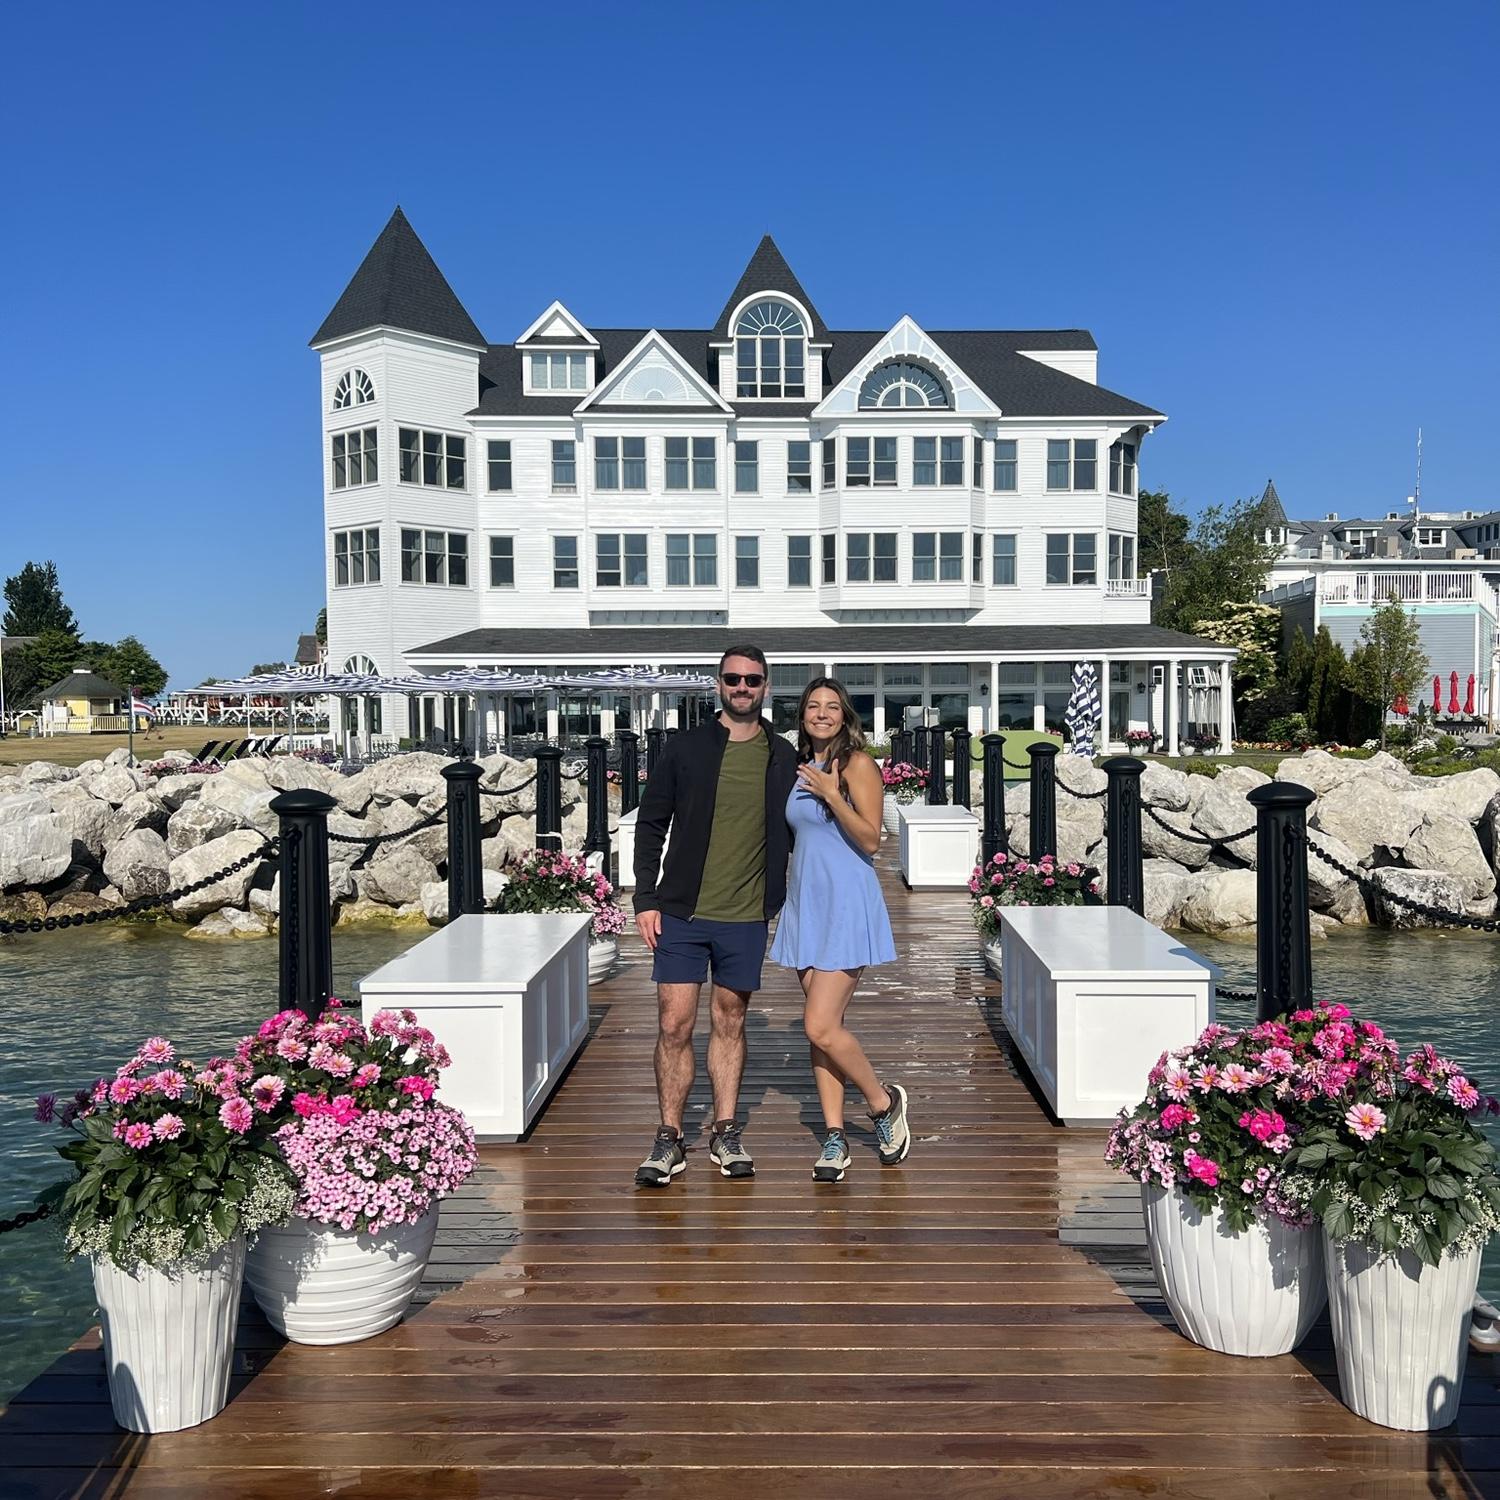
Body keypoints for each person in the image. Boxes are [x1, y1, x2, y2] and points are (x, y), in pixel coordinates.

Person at [632, 645, 799, 1188]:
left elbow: (808, 827)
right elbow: (651, 823)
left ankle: (725, 1130)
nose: (743, 687)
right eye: (733, 678)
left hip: (746, 915)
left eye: (752, 679)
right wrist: (646, 899)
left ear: (767, 686)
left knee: (730, 1021)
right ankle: (670, 1136)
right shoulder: (686, 748)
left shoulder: (783, 755)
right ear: (718, 684)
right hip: (681, 912)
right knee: (673, 1024)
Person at [768, 677, 907, 1183]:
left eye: (831, 707)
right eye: (812, 706)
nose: (821, 713)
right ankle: (833, 1136)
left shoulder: (857, 765)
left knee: (819, 1024)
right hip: (806, 903)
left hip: (847, 904)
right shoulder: (800, 767)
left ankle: (882, 1103)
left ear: (845, 715)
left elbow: (872, 839)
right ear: (802, 714)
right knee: (819, 1029)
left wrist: (833, 793)